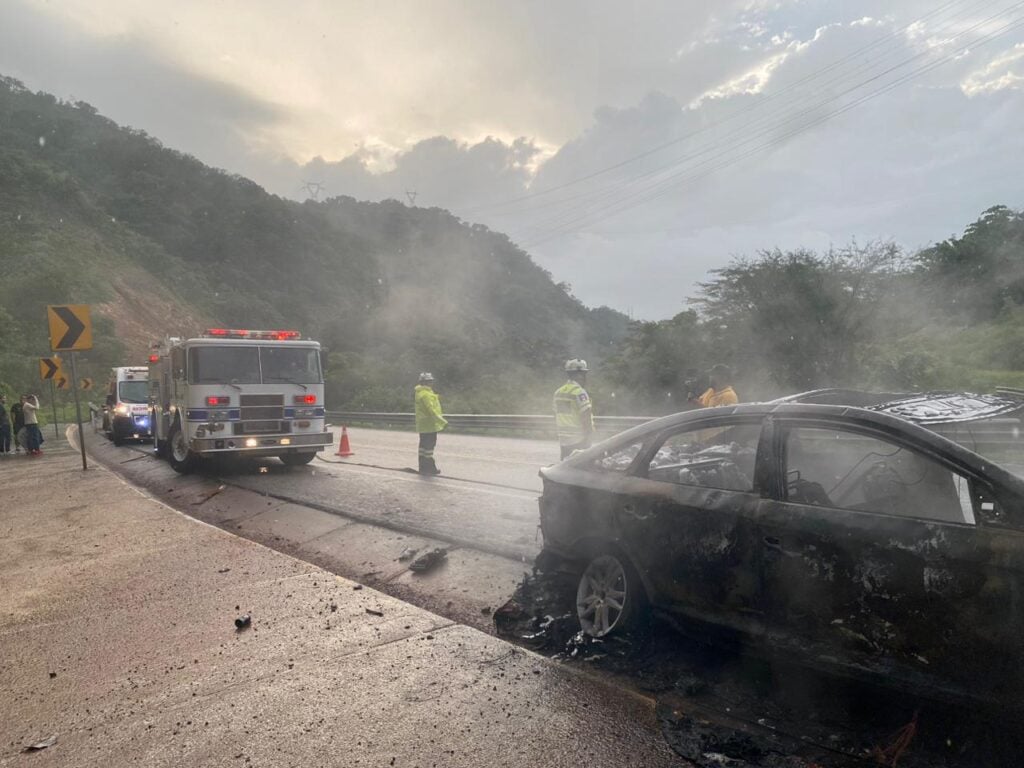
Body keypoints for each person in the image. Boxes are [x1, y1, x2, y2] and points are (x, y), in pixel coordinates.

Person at [554, 359, 595, 460]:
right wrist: (588, 437)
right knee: (581, 471)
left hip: (563, 439)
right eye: (584, 374)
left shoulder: (558, 392)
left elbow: (555, 414)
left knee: (564, 469)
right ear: (580, 375)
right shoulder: (579, 392)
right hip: (578, 439)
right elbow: (586, 415)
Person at [414, 372, 447, 475]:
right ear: (425, 382)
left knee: (423, 448)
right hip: (429, 425)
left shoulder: (420, 392)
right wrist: (443, 422)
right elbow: (431, 410)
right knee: (429, 448)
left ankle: (423, 468)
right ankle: (429, 469)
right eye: (429, 381)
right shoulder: (426, 394)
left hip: (423, 425)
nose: (431, 383)